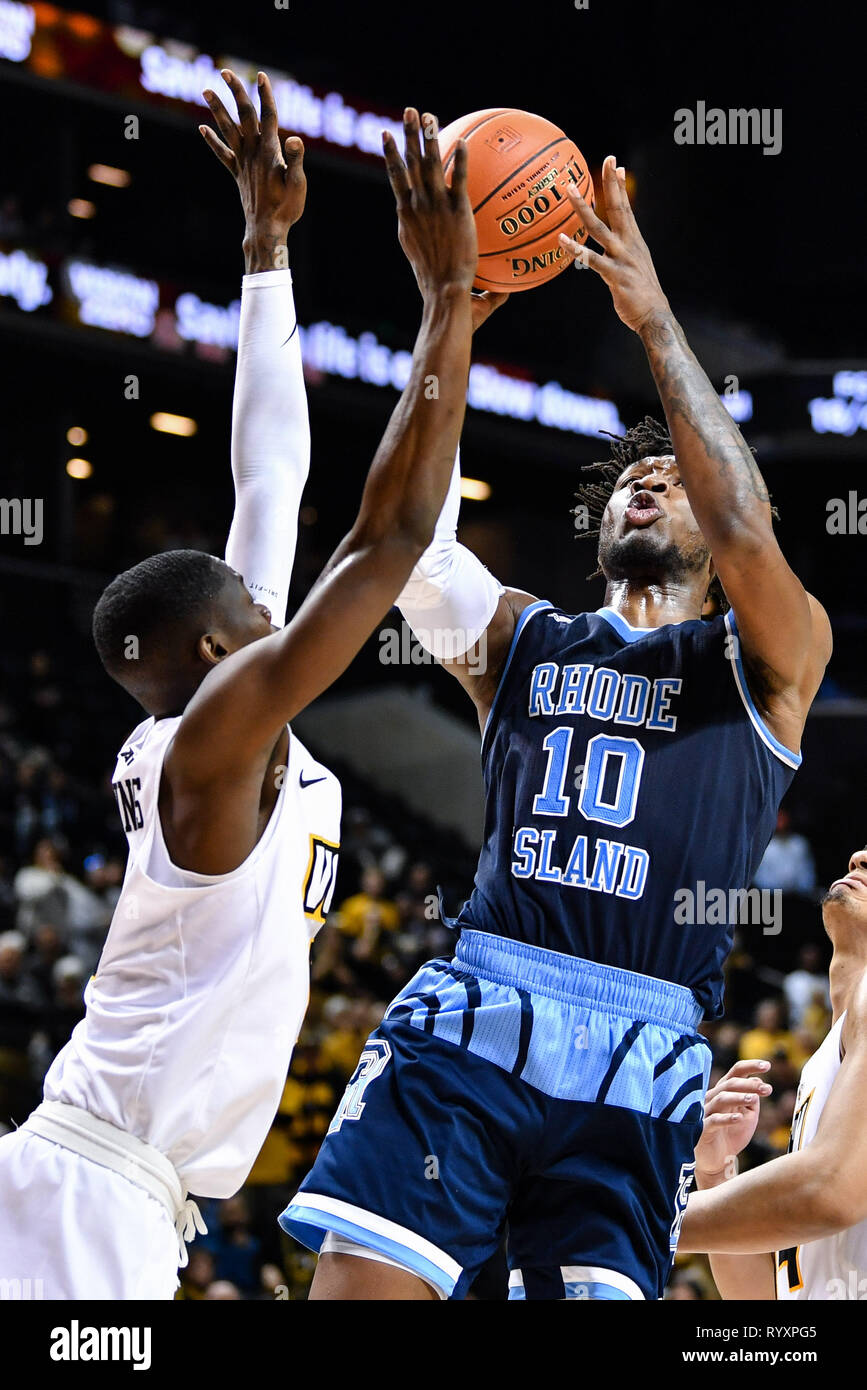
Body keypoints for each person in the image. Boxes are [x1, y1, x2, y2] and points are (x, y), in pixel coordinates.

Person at [281, 157, 831, 1301]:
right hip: (481, 1000)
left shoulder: (769, 659)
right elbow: (401, 540)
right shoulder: (525, 641)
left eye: (675, 476)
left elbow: (743, 512)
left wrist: (651, 315)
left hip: (643, 1055)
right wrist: (447, 320)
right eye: (635, 476)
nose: (652, 480)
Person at [0, 73, 479, 1299]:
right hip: (88, 1193)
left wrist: (268, 249)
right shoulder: (214, 739)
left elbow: (270, 479)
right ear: (216, 656)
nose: (277, 613)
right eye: (255, 613)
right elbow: (383, 543)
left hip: (113, 1195)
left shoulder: (217, 713)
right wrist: (446, 307)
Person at [678, 844, 867, 1299]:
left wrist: (643, 1221)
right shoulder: (834, 1049)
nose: (858, 856)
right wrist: (715, 1172)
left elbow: (828, 1190)